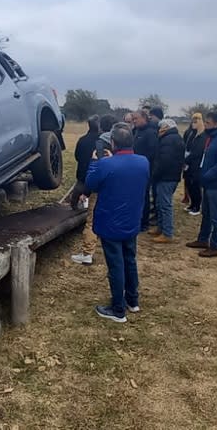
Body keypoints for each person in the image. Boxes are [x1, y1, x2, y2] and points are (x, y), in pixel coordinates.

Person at [85, 124, 150, 323]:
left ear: (113, 143)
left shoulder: (106, 164)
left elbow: (90, 184)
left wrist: (95, 163)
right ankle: (133, 300)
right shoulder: (143, 162)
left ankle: (118, 308)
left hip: (110, 222)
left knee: (116, 265)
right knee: (130, 259)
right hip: (131, 219)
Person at [70, 114, 118, 265]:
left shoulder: (99, 145)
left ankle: (87, 253)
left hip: (98, 187)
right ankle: (113, 251)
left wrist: (87, 191)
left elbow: (95, 172)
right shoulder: (122, 142)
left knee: (92, 220)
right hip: (116, 189)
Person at [186, 111, 217, 257]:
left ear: (216, 124)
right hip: (207, 183)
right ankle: (203, 239)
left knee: (216, 215)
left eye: (207, 122)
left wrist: (206, 176)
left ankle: (216, 246)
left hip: (216, 185)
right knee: (206, 213)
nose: (204, 124)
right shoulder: (212, 137)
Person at [151, 118, 185, 243]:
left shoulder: (168, 140)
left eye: (161, 127)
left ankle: (167, 233)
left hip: (166, 177)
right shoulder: (173, 138)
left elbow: (164, 161)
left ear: (166, 128)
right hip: (169, 176)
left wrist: (155, 174)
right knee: (160, 203)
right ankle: (161, 227)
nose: (159, 129)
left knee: (165, 205)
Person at [132, 110, 159, 231]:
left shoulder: (150, 132)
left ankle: (144, 222)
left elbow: (152, 152)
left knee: (144, 196)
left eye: (136, 118)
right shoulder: (137, 131)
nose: (134, 121)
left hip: (145, 169)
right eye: (133, 119)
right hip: (135, 168)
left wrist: (142, 163)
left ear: (144, 118)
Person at [183, 113, 206, 213]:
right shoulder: (191, 133)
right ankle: (192, 204)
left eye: (196, 121)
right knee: (188, 183)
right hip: (188, 162)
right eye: (193, 121)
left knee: (195, 185)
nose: (193, 123)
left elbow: (197, 151)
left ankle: (197, 206)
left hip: (196, 164)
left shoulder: (203, 135)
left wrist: (187, 159)